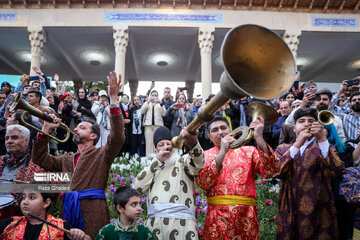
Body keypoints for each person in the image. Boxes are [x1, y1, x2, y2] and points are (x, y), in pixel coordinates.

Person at [32, 71, 125, 239]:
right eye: (77, 127)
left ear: (93, 136)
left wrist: (113, 100)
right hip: (68, 209)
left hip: (93, 211)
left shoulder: (102, 154)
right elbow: (40, 159)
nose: (75, 129)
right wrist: (45, 130)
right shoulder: (66, 159)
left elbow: (117, 137)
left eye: (82, 127)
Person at [196, 115, 280, 239]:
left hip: (246, 218)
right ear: (209, 137)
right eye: (215, 130)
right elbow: (203, 183)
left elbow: (271, 171)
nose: (220, 132)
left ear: (231, 130)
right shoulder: (205, 156)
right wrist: (222, 151)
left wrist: (259, 138)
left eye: (223, 128)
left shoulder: (249, 151)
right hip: (217, 220)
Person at [275, 108, 344, 239]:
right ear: (294, 128)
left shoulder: (326, 147)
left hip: (319, 208)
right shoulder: (282, 148)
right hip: (289, 207)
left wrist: (323, 139)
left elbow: (337, 170)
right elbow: (276, 171)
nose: (307, 124)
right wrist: (297, 143)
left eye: (311, 121)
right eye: (302, 121)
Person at [133, 126, 205, 239]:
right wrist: (156, 162)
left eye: (168, 143)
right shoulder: (152, 167)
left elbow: (198, 164)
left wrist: (193, 143)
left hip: (183, 227)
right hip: (155, 226)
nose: (166, 147)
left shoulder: (183, 161)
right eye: (161, 145)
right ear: (155, 149)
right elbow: (136, 189)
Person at [0, 182, 91, 240]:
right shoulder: (10, 224)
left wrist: (80, 235)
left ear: (46, 203)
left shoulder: (61, 226)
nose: (24, 202)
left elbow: (87, 238)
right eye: (23, 197)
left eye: (32, 197)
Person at [140, 90, 166, 155]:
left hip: (158, 126)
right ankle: (148, 160)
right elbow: (142, 111)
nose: (154, 97)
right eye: (152, 95)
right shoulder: (147, 103)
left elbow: (164, 114)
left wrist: (161, 104)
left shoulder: (160, 104)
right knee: (149, 144)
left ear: (158, 96)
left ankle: (158, 158)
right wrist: (148, 101)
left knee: (157, 143)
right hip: (148, 126)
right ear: (150, 96)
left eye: (155, 95)